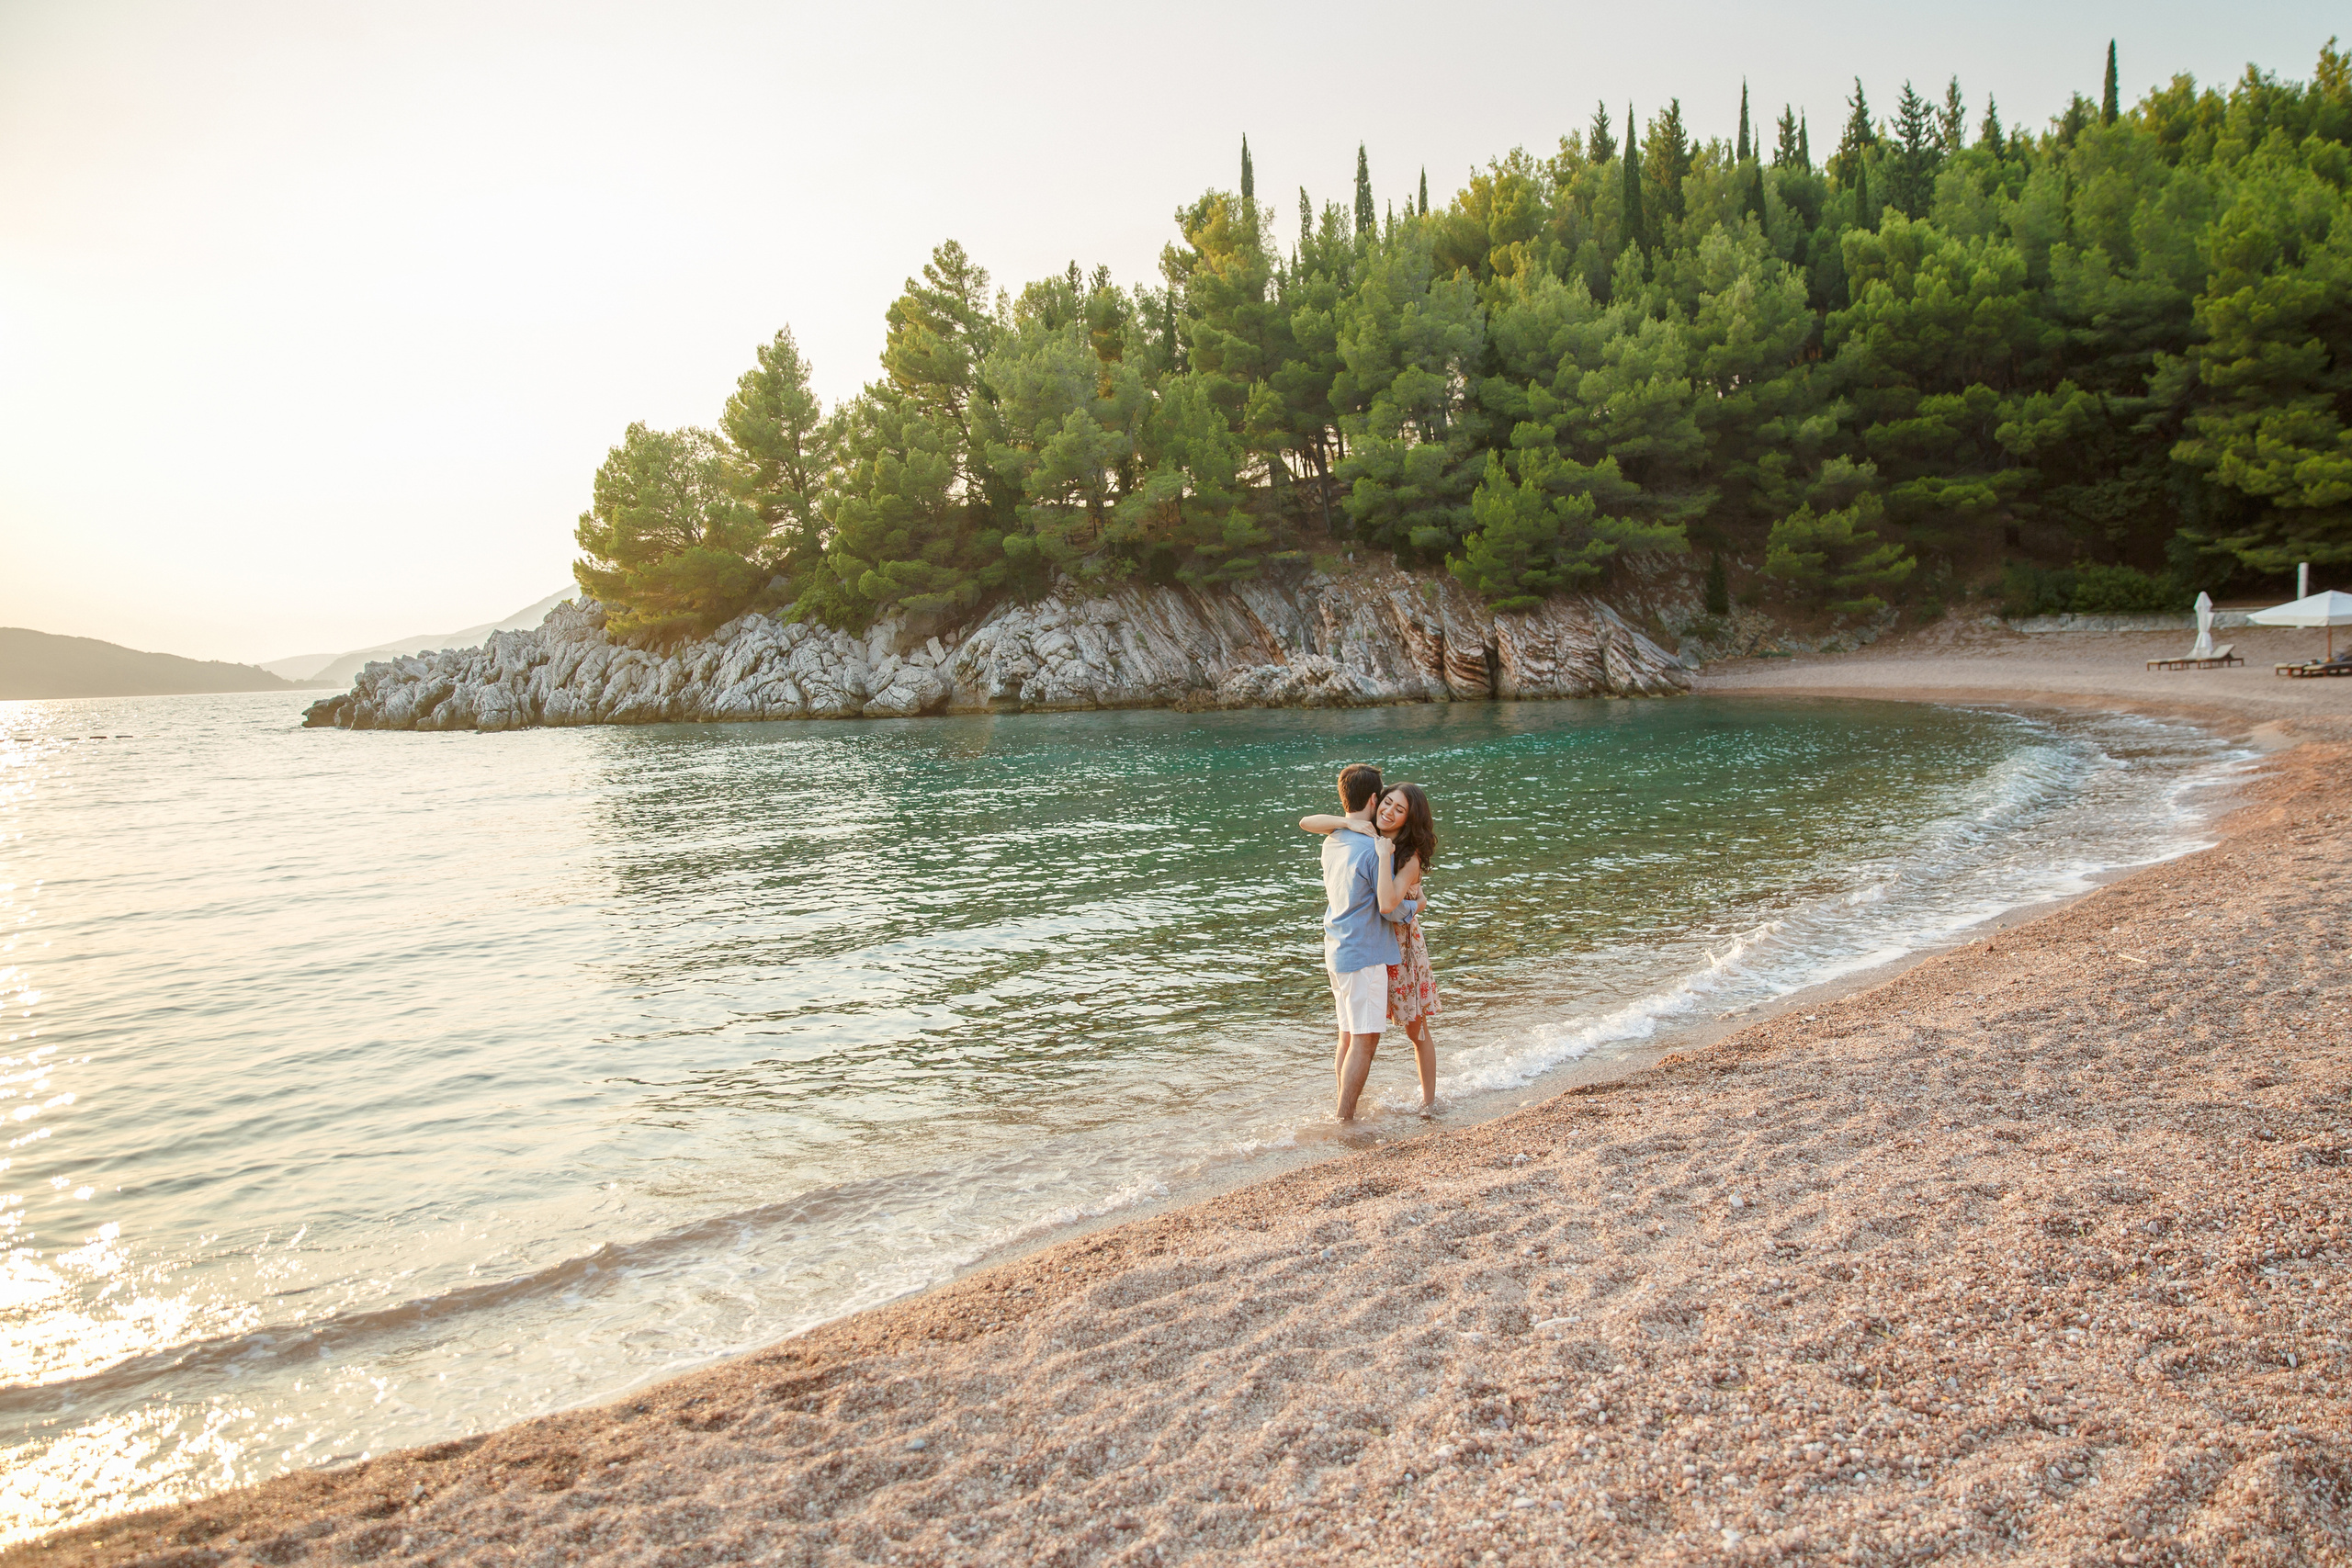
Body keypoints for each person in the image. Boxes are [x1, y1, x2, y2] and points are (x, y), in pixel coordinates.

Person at [1304, 783, 1440, 1114]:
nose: (1388, 812)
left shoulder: (1408, 857)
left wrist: (1415, 905)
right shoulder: (1368, 839)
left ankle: (1430, 1103)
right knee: (1352, 1033)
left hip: (1402, 948)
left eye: (1399, 810)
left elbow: (1388, 904)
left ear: (1409, 819)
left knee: (1415, 1028)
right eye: (1387, 802)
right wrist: (1348, 822)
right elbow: (1308, 822)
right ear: (1376, 801)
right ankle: (1346, 1104)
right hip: (1376, 944)